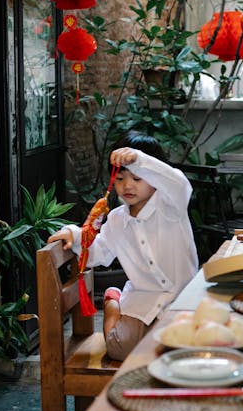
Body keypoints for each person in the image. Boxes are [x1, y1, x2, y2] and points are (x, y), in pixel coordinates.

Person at [48, 131, 199, 360]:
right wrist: (76, 234)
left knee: (181, 351)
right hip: (141, 303)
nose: (127, 185)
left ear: (154, 177)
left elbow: (179, 184)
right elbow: (97, 253)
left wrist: (139, 159)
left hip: (183, 303)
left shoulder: (171, 205)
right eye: (120, 178)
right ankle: (113, 303)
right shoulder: (117, 219)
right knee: (120, 349)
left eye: (137, 178)